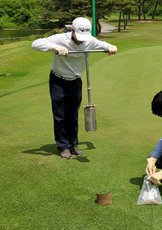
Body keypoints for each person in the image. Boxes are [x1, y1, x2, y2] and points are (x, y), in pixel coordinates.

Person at [31, 17, 117, 159]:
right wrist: (55, 47)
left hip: (76, 81)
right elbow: (36, 44)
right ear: (72, 30)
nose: (82, 40)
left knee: (73, 114)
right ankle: (63, 146)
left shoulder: (89, 40)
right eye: (79, 36)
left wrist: (110, 47)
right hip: (58, 81)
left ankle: (73, 144)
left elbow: (103, 45)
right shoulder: (60, 39)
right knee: (60, 115)